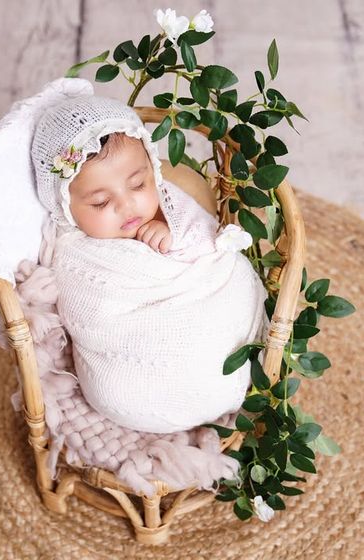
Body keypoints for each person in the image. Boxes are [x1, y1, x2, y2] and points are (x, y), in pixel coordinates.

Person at [31, 93, 268, 434]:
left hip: (205, 316)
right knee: (116, 387)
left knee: (239, 277)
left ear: (152, 171)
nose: (127, 206)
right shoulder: (73, 252)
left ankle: (217, 378)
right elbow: (83, 310)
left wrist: (175, 238)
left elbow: (211, 243)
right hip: (131, 383)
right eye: (100, 202)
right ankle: (178, 397)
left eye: (138, 184)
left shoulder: (171, 206)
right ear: (65, 207)